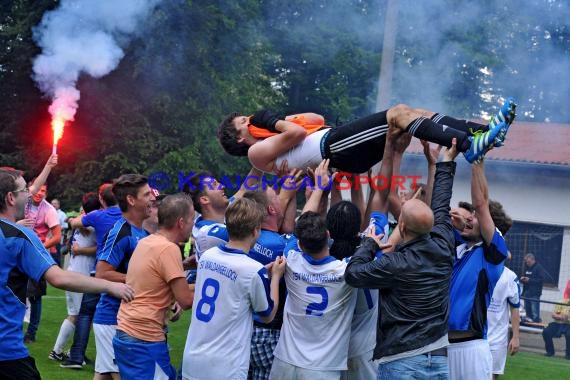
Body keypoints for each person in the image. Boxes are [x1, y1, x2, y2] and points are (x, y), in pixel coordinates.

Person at [0, 168, 134, 380]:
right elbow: (58, 278)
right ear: (10, 198)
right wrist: (110, 285)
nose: (29, 194)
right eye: (25, 190)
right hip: (7, 355)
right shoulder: (18, 236)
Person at [345, 133, 459, 379]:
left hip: (401, 360)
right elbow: (441, 204)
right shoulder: (445, 245)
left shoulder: (395, 263)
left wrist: (368, 245)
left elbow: (353, 274)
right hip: (439, 358)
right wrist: (445, 162)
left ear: (403, 228)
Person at [217, 98, 516, 174]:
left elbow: (313, 120)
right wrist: (269, 120)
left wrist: (272, 122)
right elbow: (295, 132)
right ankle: (467, 145)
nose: (252, 119)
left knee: (414, 111)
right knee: (397, 113)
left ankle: (480, 132)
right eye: (246, 122)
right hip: (335, 148)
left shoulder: (273, 135)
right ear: (241, 139)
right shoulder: (257, 154)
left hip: (334, 139)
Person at [182, 197, 286, 380]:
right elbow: (267, 315)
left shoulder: (208, 257)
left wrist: (263, 274)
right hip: (225, 366)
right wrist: (275, 277)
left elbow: (232, 283)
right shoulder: (253, 270)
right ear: (256, 231)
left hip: (193, 357)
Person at [113, 193, 196, 379]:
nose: (194, 224)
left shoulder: (146, 242)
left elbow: (155, 285)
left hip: (127, 332)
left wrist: (189, 275)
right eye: (192, 219)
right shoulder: (168, 249)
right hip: (143, 338)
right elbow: (186, 300)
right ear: (181, 222)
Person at [447, 164, 513, 380]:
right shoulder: (462, 246)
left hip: (471, 350)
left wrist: (477, 162)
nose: (469, 218)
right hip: (443, 346)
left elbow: (481, 203)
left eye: (474, 216)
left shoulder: (493, 252)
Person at [92, 174, 155, 380]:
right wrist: (138, 281)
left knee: (103, 376)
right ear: (131, 200)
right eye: (146, 194)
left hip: (124, 317)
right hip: (112, 318)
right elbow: (103, 273)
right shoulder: (121, 231)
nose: (152, 198)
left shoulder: (141, 232)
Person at [60, 183, 122, 369]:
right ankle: (117, 359)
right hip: (123, 274)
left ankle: (76, 357)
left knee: (85, 314)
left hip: (100, 272)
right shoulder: (128, 216)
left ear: (101, 200)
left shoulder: (98, 216)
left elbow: (72, 222)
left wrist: (81, 216)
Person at [242, 188, 290, 380]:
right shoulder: (279, 245)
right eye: (277, 197)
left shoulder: (246, 239)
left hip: (244, 328)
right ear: (271, 209)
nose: (282, 199)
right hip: (268, 329)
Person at [49, 192, 100, 361]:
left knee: (74, 314)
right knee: (81, 316)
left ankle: (58, 351)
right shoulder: (93, 226)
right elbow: (98, 248)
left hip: (71, 273)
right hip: (81, 277)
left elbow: (69, 221)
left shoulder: (81, 222)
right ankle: (73, 353)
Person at [23, 180, 61, 344]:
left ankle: (31, 333)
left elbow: (58, 236)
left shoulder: (49, 209)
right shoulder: (22, 201)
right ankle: (14, 330)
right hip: (17, 253)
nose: (39, 193)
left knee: (35, 297)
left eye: (43, 191)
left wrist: (40, 247)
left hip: (36, 257)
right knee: (13, 292)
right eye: (37, 190)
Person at [486, 254, 521, 379]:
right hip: (474, 337)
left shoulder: (510, 277)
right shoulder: (476, 270)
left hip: (497, 339)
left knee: (492, 376)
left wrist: (516, 337)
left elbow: (515, 308)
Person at [542, 280, 570, 359]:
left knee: (569, 334)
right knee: (546, 332)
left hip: (569, 325)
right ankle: (550, 352)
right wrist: (560, 317)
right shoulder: (561, 301)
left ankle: (568, 355)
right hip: (558, 323)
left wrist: (567, 318)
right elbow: (553, 314)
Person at [521, 253, 546, 323]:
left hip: (535, 293)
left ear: (533, 260)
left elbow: (541, 280)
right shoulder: (527, 267)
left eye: (528, 262)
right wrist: (523, 279)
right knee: (527, 310)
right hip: (527, 292)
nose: (527, 263)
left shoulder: (539, 268)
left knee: (535, 311)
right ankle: (529, 323)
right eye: (526, 262)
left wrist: (529, 280)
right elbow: (525, 276)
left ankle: (536, 324)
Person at [51, 198, 69, 266]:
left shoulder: (62, 214)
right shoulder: (48, 213)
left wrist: (55, 230)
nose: (53, 205)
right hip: (48, 239)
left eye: (55, 203)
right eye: (52, 204)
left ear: (58, 205)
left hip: (57, 239)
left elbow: (65, 226)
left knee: (57, 257)